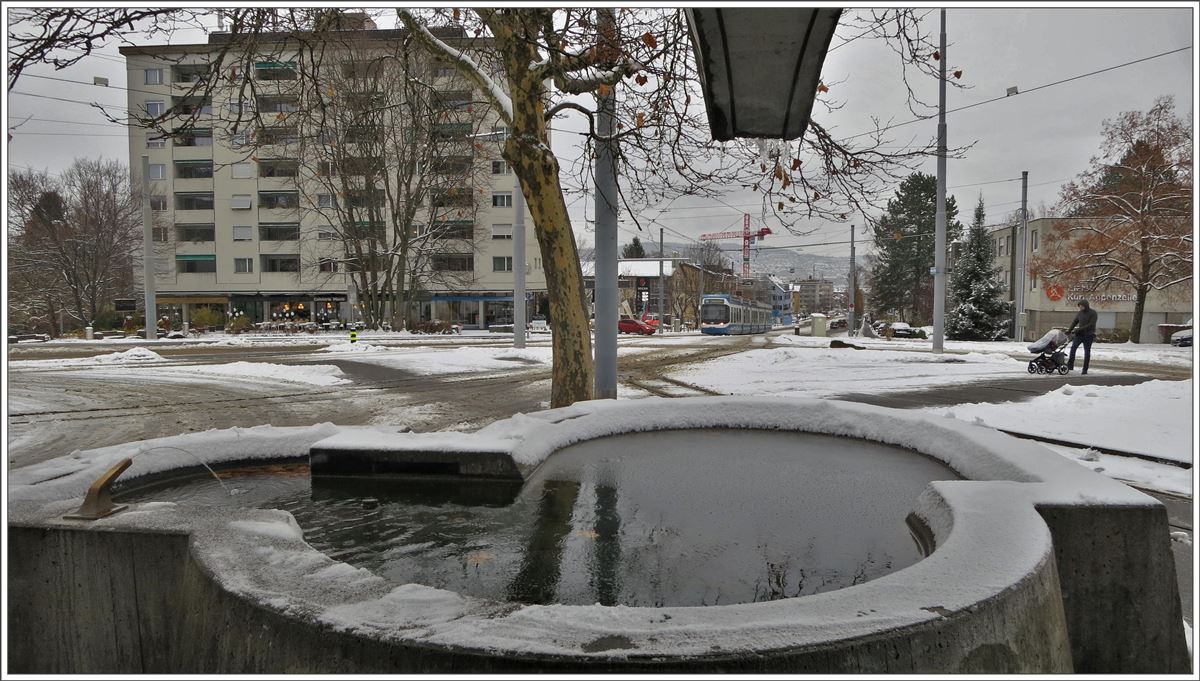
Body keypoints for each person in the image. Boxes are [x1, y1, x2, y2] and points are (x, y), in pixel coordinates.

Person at [1066, 299, 1098, 374]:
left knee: (1087, 352)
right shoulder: (1080, 313)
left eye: (1081, 306)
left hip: (1089, 335)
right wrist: (1069, 330)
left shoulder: (1093, 313)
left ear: (1085, 306)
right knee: (1073, 348)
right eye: (1079, 306)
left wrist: (1079, 329)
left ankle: (1085, 369)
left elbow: (1091, 324)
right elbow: (1075, 322)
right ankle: (1070, 365)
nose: (1080, 308)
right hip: (1079, 335)